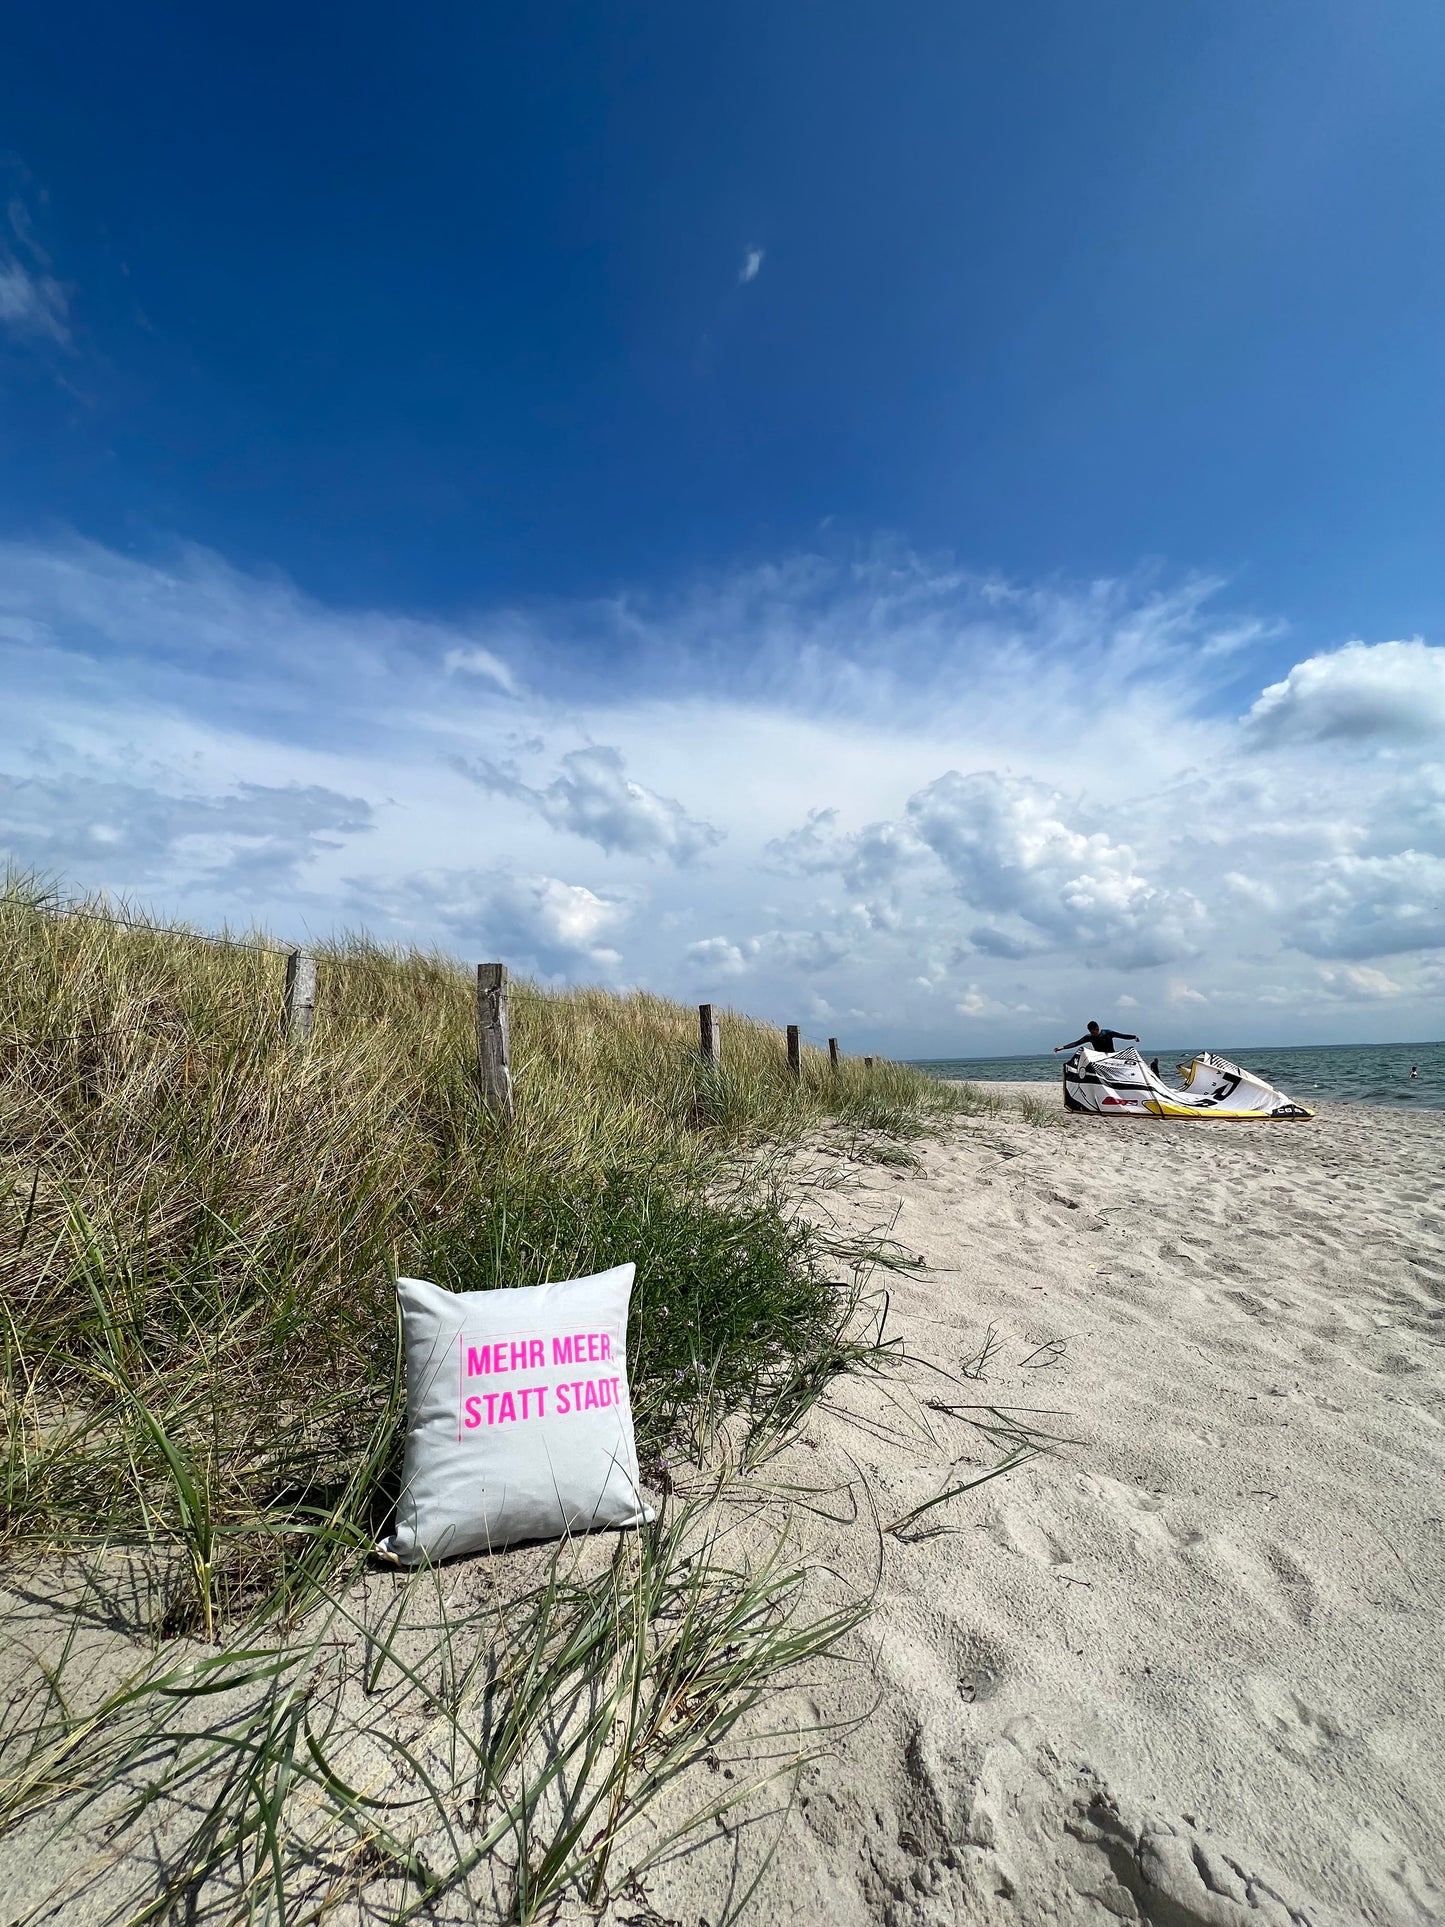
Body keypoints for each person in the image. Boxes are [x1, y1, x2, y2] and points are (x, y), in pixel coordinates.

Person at [1053, 1019, 1141, 1056]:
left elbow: (1122, 1036)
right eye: (1090, 1032)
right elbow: (1076, 1043)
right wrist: (1062, 1048)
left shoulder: (1107, 1033)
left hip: (1111, 1055)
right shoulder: (1089, 1037)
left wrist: (1134, 1037)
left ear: (1097, 1028)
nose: (1092, 1034)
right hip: (1099, 1056)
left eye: (1092, 1032)